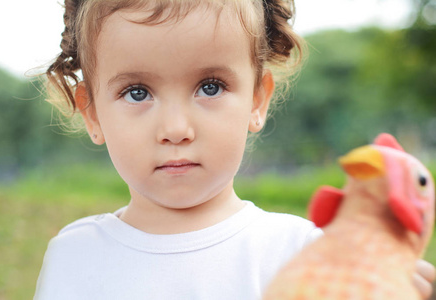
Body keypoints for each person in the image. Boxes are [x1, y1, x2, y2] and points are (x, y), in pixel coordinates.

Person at [34, 0, 435, 299]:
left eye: (210, 87)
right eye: (137, 92)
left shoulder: (305, 254)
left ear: (257, 101)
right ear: (92, 113)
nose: (176, 129)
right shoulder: (74, 256)